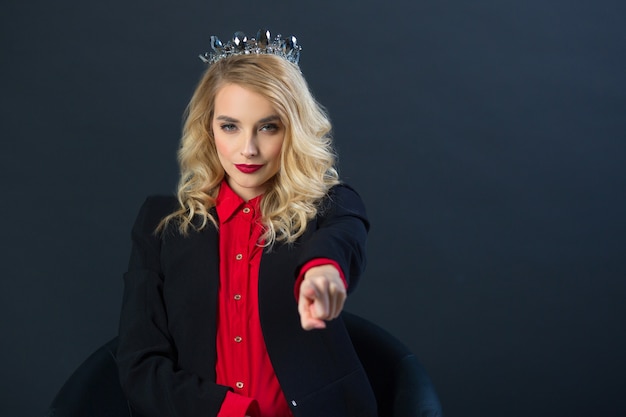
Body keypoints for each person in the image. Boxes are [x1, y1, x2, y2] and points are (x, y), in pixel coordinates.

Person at [116, 29, 378, 417]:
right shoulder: (161, 224)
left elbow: (343, 236)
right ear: (208, 128)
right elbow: (140, 365)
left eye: (268, 127)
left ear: (293, 132)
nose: (248, 149)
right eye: (230, 126)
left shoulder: (329, 205)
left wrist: (323, 270)